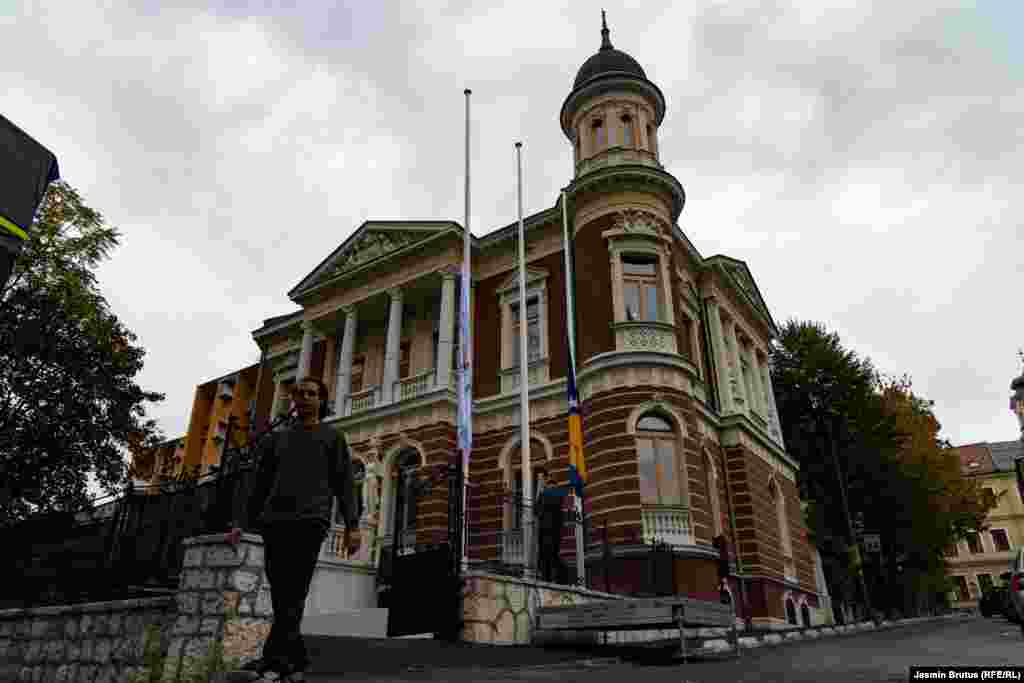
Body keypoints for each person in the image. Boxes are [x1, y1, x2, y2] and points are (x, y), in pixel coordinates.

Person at [226, 376, 361, 683]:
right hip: (274, 522)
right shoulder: (277, 439)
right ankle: (296, 658)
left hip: (310, 522)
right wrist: (240, 523)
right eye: (298, 393)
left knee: (293, 590)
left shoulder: (332, 437)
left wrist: (353, 525)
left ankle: (275, 662)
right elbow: (258, 485)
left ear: (321, 400)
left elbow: (345, 484)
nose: (303, 398)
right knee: (283, 593)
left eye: (311, 393)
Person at [534, 468, 570, 584]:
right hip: (546, 530)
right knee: (546, 556)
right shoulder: (547, 494)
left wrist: (541, 492)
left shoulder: (554, 493)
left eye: (547, 483)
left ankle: (559, 578)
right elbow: (536, 510)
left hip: (552, 530)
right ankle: (548, 579)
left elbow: (538, 508)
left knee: (550, 555)